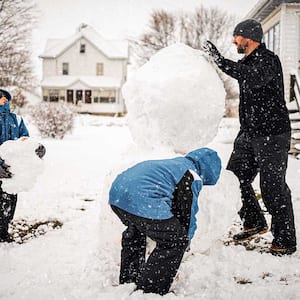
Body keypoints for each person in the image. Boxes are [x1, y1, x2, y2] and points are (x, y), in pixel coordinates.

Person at [203, 19, 297, 256]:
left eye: (237, 36)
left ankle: (285, 239)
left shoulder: (268, 61)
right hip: (249, 133)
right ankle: (254, 221)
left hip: (272, 133)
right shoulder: (247, 62)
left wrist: (220, 62)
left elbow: (252, 77)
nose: (234, 40)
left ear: (249, 37)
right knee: (234, 179)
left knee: (272, 187)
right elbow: (244, 73)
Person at [109, 148, 221, 295]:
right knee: (175, 240)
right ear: (209, 170)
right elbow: (187, 213)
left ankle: (130, 278)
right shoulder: (192, 174)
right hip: (141, 199)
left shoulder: (175, 165)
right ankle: (150, 291)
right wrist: (186, 240)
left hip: (117, 196)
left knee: (137, 230)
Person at [0, 88, 45, 242]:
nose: (3, 100)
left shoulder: (16, 120)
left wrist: (36, 149)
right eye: (1, 98)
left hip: (12, 171)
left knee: (9, 203)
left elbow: (25, 141)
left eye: (5, 98)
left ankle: (3, 232)